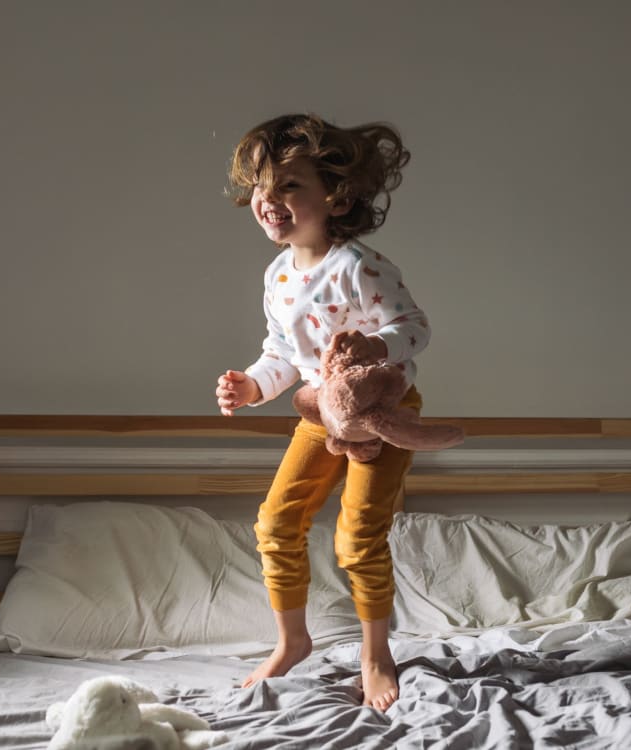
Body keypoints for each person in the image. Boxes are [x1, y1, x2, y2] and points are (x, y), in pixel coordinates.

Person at [215, 113, 430, 711]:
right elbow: (282, 354)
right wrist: (252, 387)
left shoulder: (360, 266)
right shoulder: (278, 274)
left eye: (289, 185)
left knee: (358, 533)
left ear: (336, 196)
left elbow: (414, 327)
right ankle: (292, 641)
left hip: (381, 409)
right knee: (276, 522)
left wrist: (374, 348)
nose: (269, 200)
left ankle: (375, 655)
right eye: (261, 187)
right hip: (320, 415)